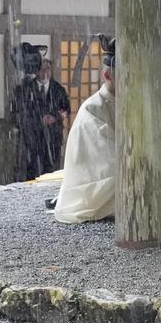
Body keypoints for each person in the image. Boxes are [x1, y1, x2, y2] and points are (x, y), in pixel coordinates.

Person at [54, 36, 117, 224]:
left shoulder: (129, 104)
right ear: (107, 75)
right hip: (96, 182)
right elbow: (106, 156)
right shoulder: (92, 108)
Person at [10, 45, 69, 180]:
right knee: (32, 173)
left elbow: (65, 109)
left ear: (52, 70)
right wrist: (38, 120)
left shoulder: (58, 89)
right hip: (32, 140)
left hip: (53, 138)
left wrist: (55, 118)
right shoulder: (25, 88)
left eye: (48, 69)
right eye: (41, 69)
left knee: (52, 172)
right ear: (36, 71)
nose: (44, 72)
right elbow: (18, 114)